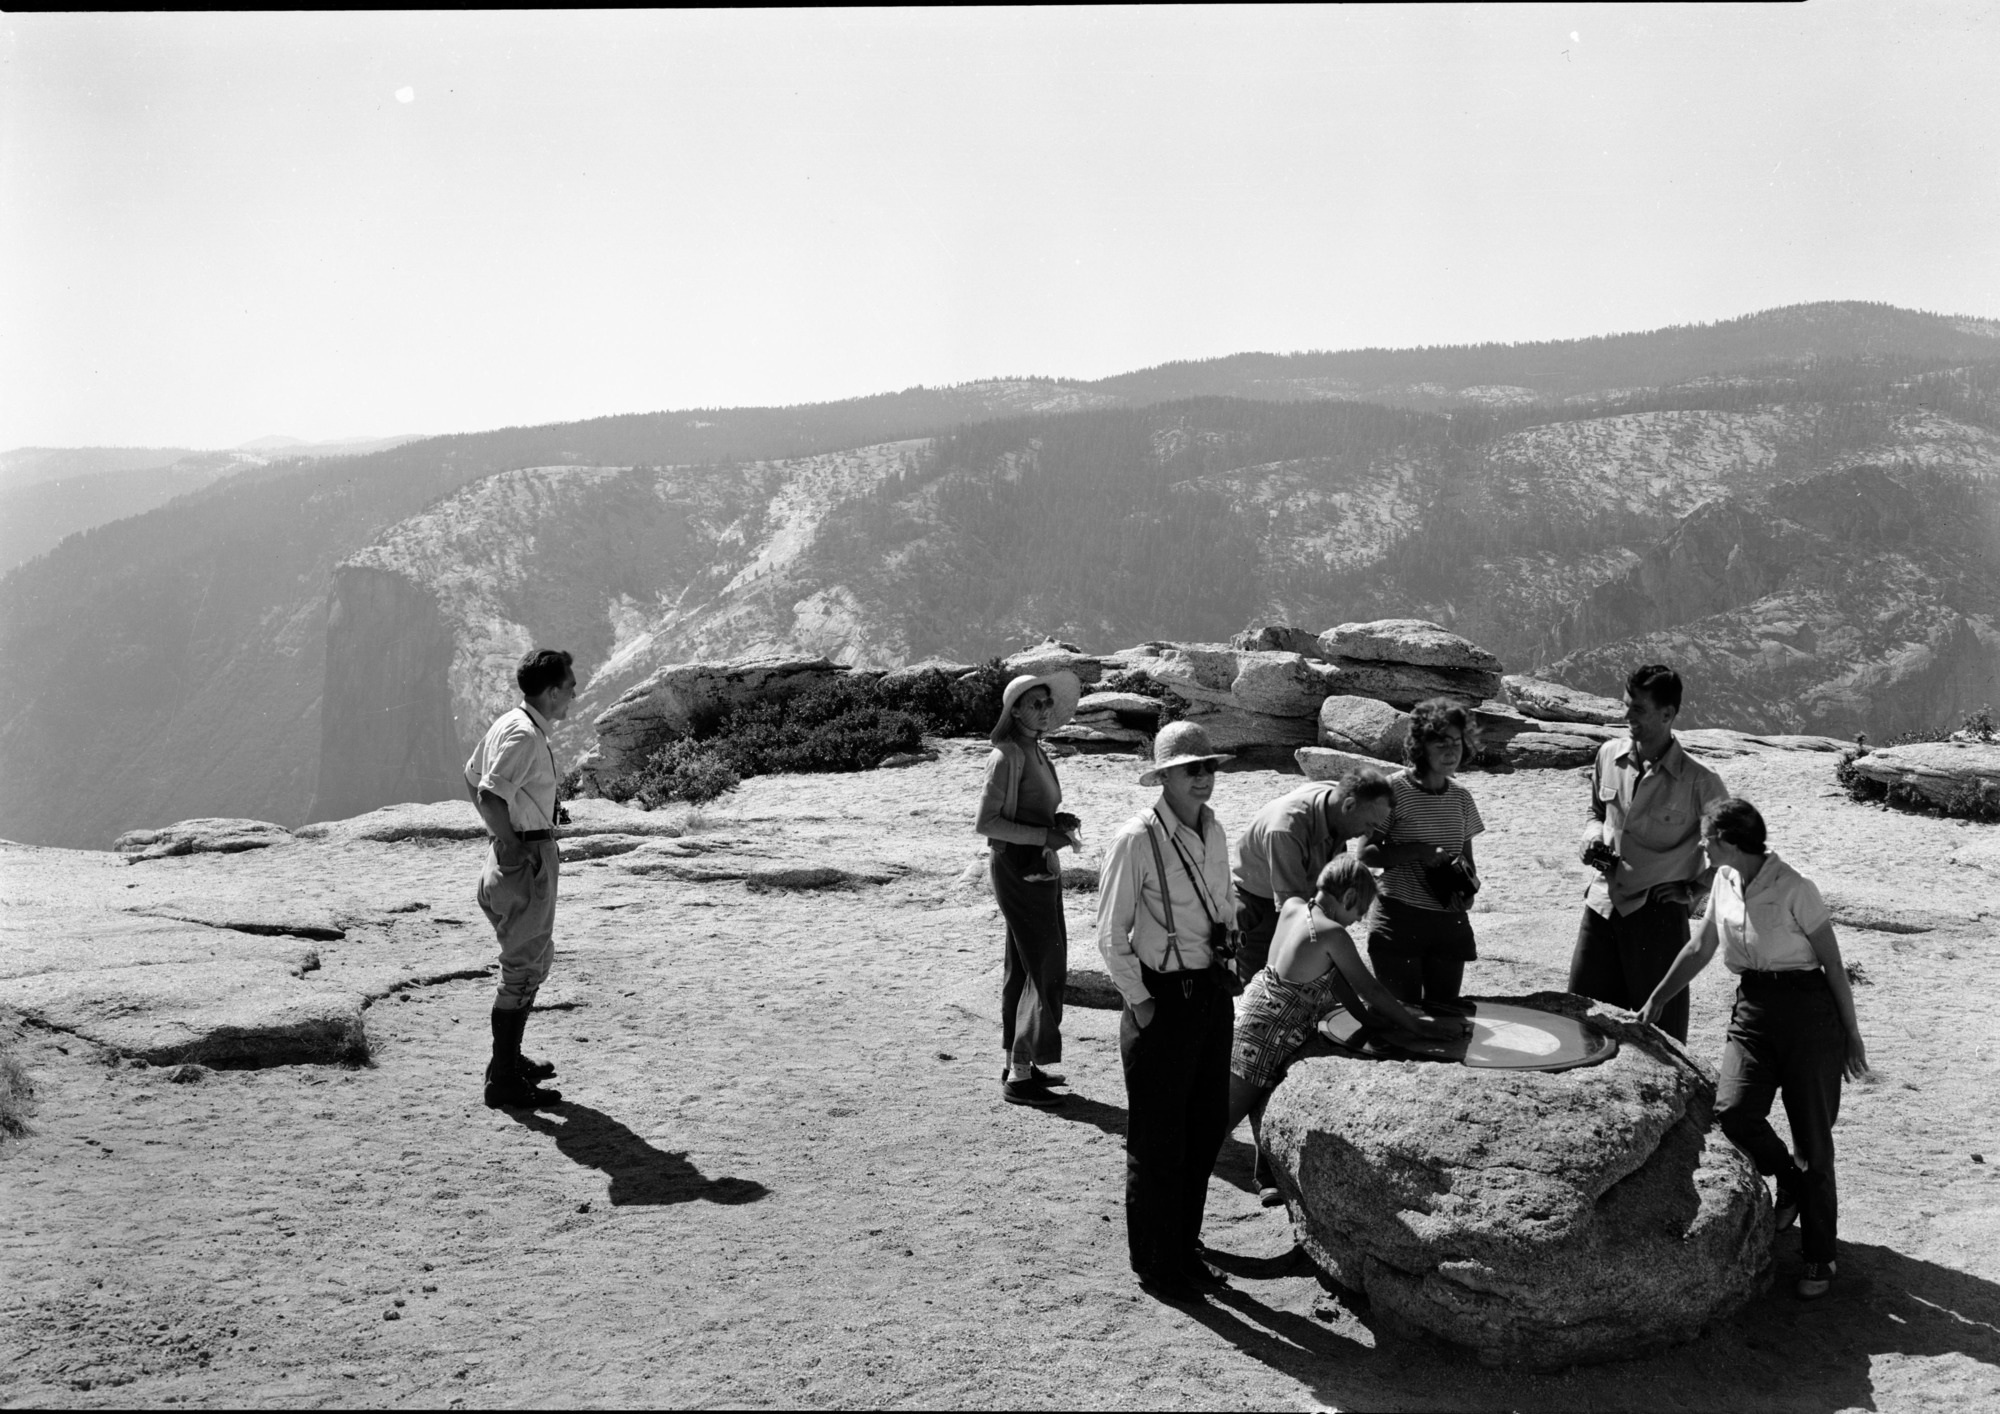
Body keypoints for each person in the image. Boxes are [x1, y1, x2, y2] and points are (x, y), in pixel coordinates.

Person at [1637, 797, 1867, 1300]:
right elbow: (1700, 948)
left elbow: (1832, 965)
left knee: (1813, 1140)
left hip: (1809, 1014)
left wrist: (1851, 1035)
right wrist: (1656, 999)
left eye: (1708, 839)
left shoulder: (1795, 888)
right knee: (1734, 1110)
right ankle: (1787, 1177)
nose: (1702, 846)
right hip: (1754, 1010)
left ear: (1731, 841)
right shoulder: (1722, 881)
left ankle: (1819, 1255)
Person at [1223, 855, 1464, 1205]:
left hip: (1248, 1016)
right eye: (1361, 911)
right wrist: (1419, 1027)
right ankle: (1177, 1230)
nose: (1359, 920)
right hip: (1263, 1041)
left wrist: (1368, 1021)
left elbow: (1335, 979)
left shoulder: (1294, 907)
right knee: (1213, 1133)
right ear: (1350, 897)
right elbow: (1373, 990)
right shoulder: (1330, 933)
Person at [1097, 721, 1240, 1302]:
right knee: (1159, 1143)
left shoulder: (1215, 828)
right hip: (1162, 1001)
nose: (1204, 778)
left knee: (1205, 1130)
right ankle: (1157, 1265)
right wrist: (1143, 1004)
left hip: (1209, 995)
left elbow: (1224, 905)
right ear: (1165, 777)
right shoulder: (1136, 839)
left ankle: (1185, 1247)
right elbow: (1111, 935)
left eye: (1209, 767)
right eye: (1192, 769)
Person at [1567, 663, 1728, 1042]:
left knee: (1659, 1035)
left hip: (1657, 919)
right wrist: (1591, 838)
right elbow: (1595, 813)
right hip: (1601, 906)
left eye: (1637, 709)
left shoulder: (1701, 781)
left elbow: (1734, 852)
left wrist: (1694, 891)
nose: (1626, 716)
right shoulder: (1608, 755)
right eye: (1627, 705)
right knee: (1583, 1022)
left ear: (1668, 714)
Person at [465, 648, 577, 1110]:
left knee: (535, 961)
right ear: (551, 692)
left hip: (511, 858)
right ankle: (504, 1081)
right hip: (523, 859)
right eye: (570, 685)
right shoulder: (526, 737)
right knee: (523, 970)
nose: (574, 692)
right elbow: (490, 795)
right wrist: (515, 844)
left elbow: (470, 778)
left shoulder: (509, 722)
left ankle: (507, 1062)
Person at [975, 671, 1084, 1109]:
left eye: (1046, 702)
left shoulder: (1035, 751)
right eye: (1034, 703)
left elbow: (1028, 812)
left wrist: (1055, 825)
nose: (1043, 709)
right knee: (1044, 963)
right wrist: (1043, 839)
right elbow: (987, 823)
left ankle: (1019, 1064)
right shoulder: (1006, 756)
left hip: (1037, 866)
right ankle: (1020, 1076)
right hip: (1020, 869)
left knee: (1024, 965)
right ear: (1014, 710)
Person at [1358, 698, 1485, 1011]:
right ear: (1419, 746)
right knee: (1402, 1017)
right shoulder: (1393, 790)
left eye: (1456, 742)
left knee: (1444, 1015)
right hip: (1400, 919)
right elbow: (1366, 853)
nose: (1451, 750)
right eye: (1440, 742)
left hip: (1449, 924)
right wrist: (1418, 851)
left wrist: (1466, 894)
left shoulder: (1462, 797)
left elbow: (1466, 861)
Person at [1232, 767, 1394, 982]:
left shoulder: (1336, 799)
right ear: (1349, 806)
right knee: (1266, 984)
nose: (1369, 834)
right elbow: (1293, 914)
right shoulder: (1286, 830)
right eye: (1369, 824)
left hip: (1299, 894)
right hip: (1261, 906)